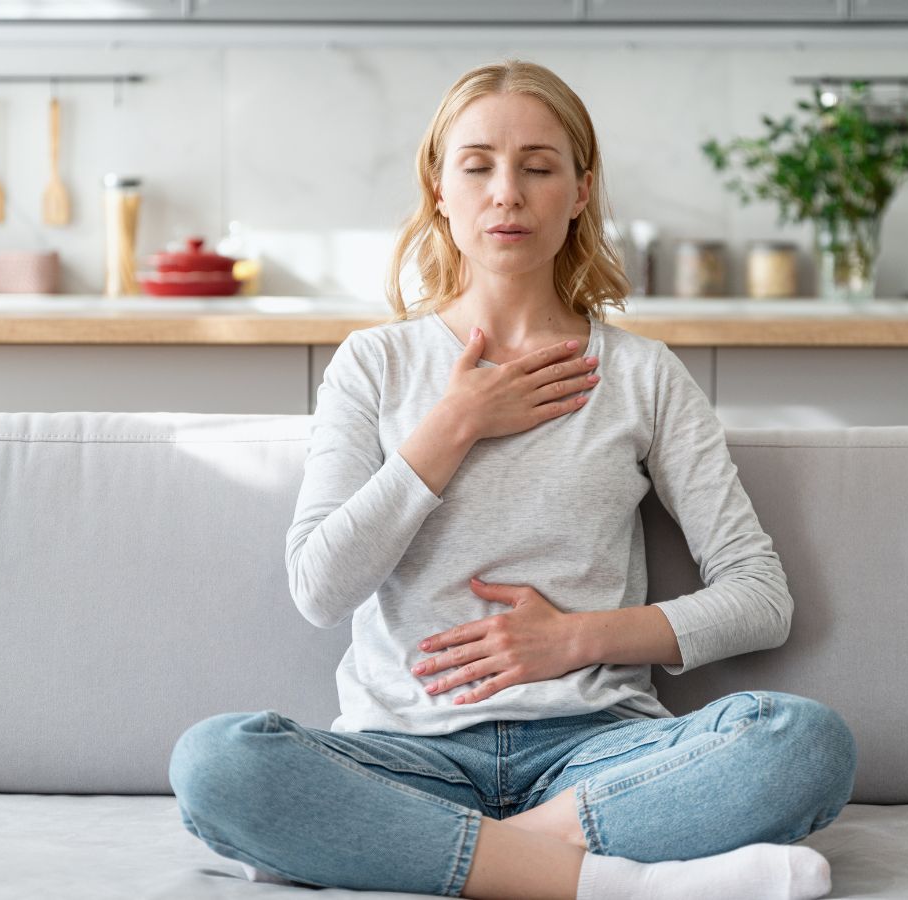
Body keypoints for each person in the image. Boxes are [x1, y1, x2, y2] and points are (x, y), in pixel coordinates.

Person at [169, 58, 856, 900]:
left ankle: (438, 854)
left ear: (579, 192)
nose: (507, 193)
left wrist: (577, 639)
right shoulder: (374, 366)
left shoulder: (644, 375)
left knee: (803, 742)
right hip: (408, 753)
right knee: (217, 763)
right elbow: (319, 588)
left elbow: (760, 597)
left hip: (596, 753)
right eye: (478, 165)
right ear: (439, 187)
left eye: (538, 167)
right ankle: (619, 885)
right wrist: (453, 425)